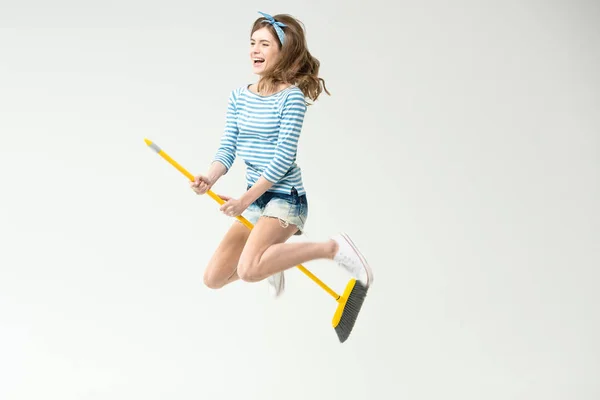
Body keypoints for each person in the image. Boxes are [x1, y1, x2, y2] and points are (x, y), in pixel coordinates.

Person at [191, 11, 373, 297]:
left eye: (264, 44)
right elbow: (228, 146)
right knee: (213, 278)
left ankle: (332, 247)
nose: (255, 49)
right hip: (255, 200)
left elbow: (282, 160)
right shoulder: (239, 97)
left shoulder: (291, 98)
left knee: (250, 270)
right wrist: (209, 177)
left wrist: (243, 201)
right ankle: (272, 260)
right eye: (253, 42)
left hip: (286, 199)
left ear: (284, 52)